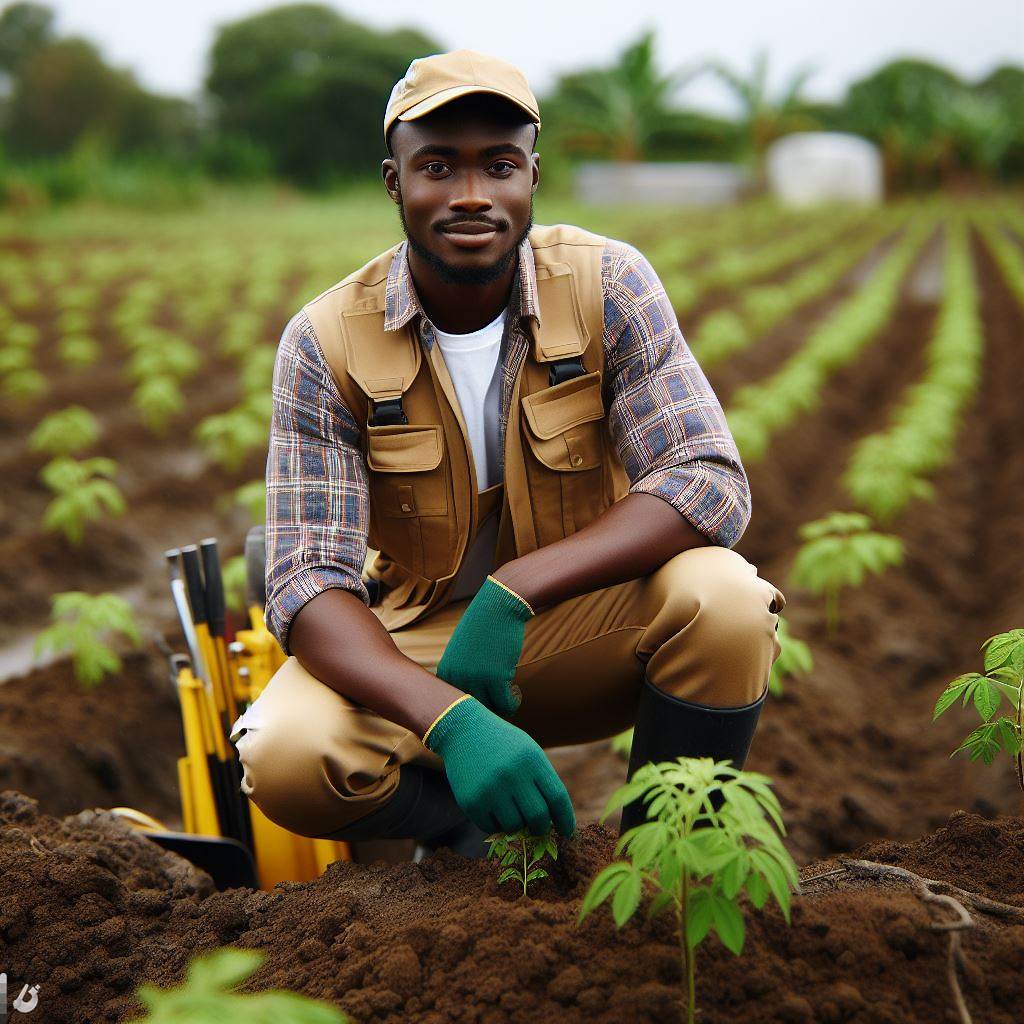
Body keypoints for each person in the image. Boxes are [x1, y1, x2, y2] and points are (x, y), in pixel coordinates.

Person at [230, 49, 786, 859]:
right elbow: (305, 579)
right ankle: (458, 827)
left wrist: (513, 592)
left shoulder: (608, 284)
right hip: (421, 642)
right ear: (395, 183)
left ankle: (666, 870)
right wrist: (449, 722)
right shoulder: (324, 342)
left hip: (587, 615)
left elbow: (707, 480)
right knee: (288, 758)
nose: (470, 196)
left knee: (728, 603)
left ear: (533, 175)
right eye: (437, 167)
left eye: (498, 166)